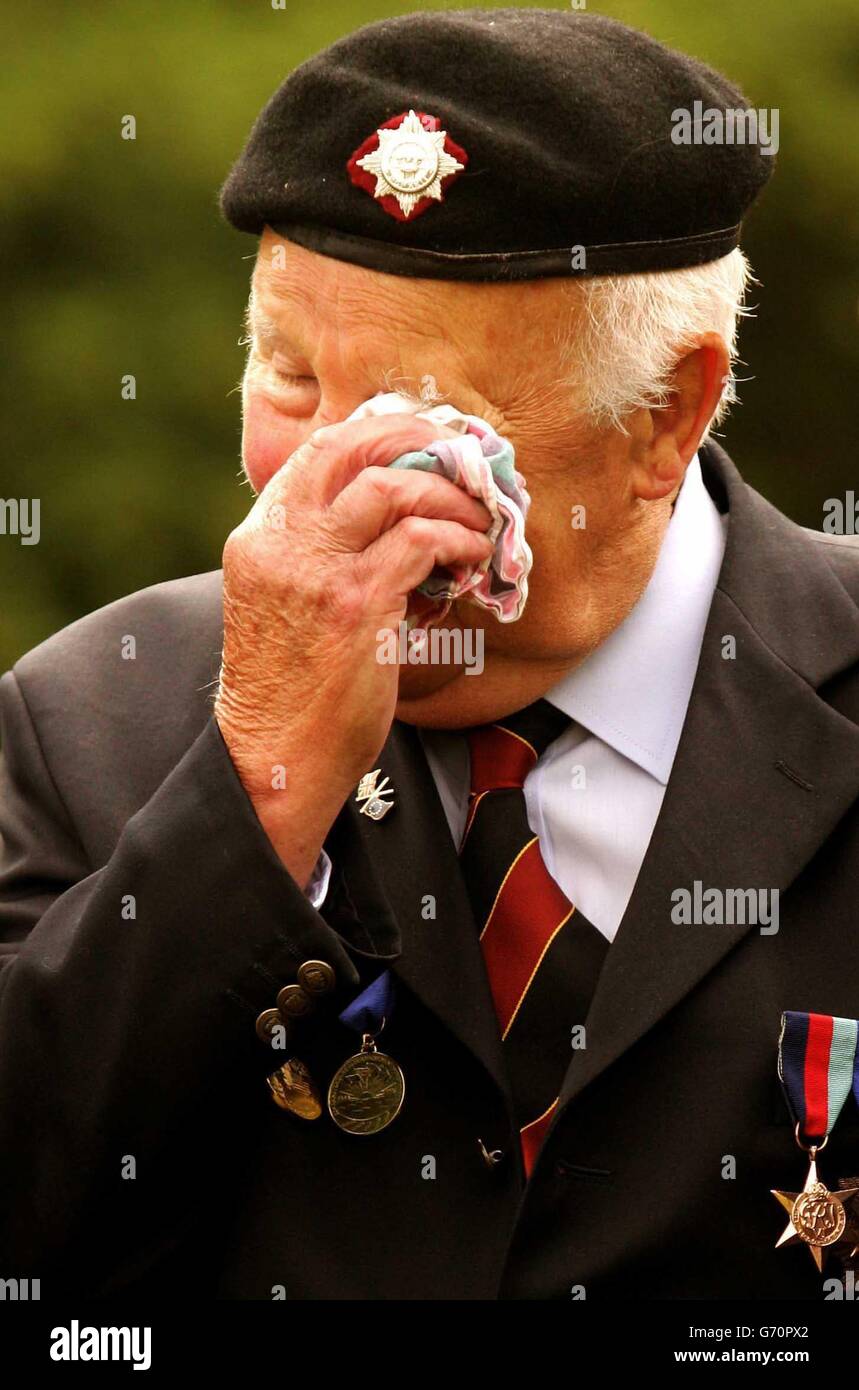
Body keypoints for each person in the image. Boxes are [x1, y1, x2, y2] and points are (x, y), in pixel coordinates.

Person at [2, 8, 858, 1301]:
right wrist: (258, 786)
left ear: (664, 417)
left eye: (423, 420)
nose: (318, 481)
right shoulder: (85, 715)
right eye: (288, 378)